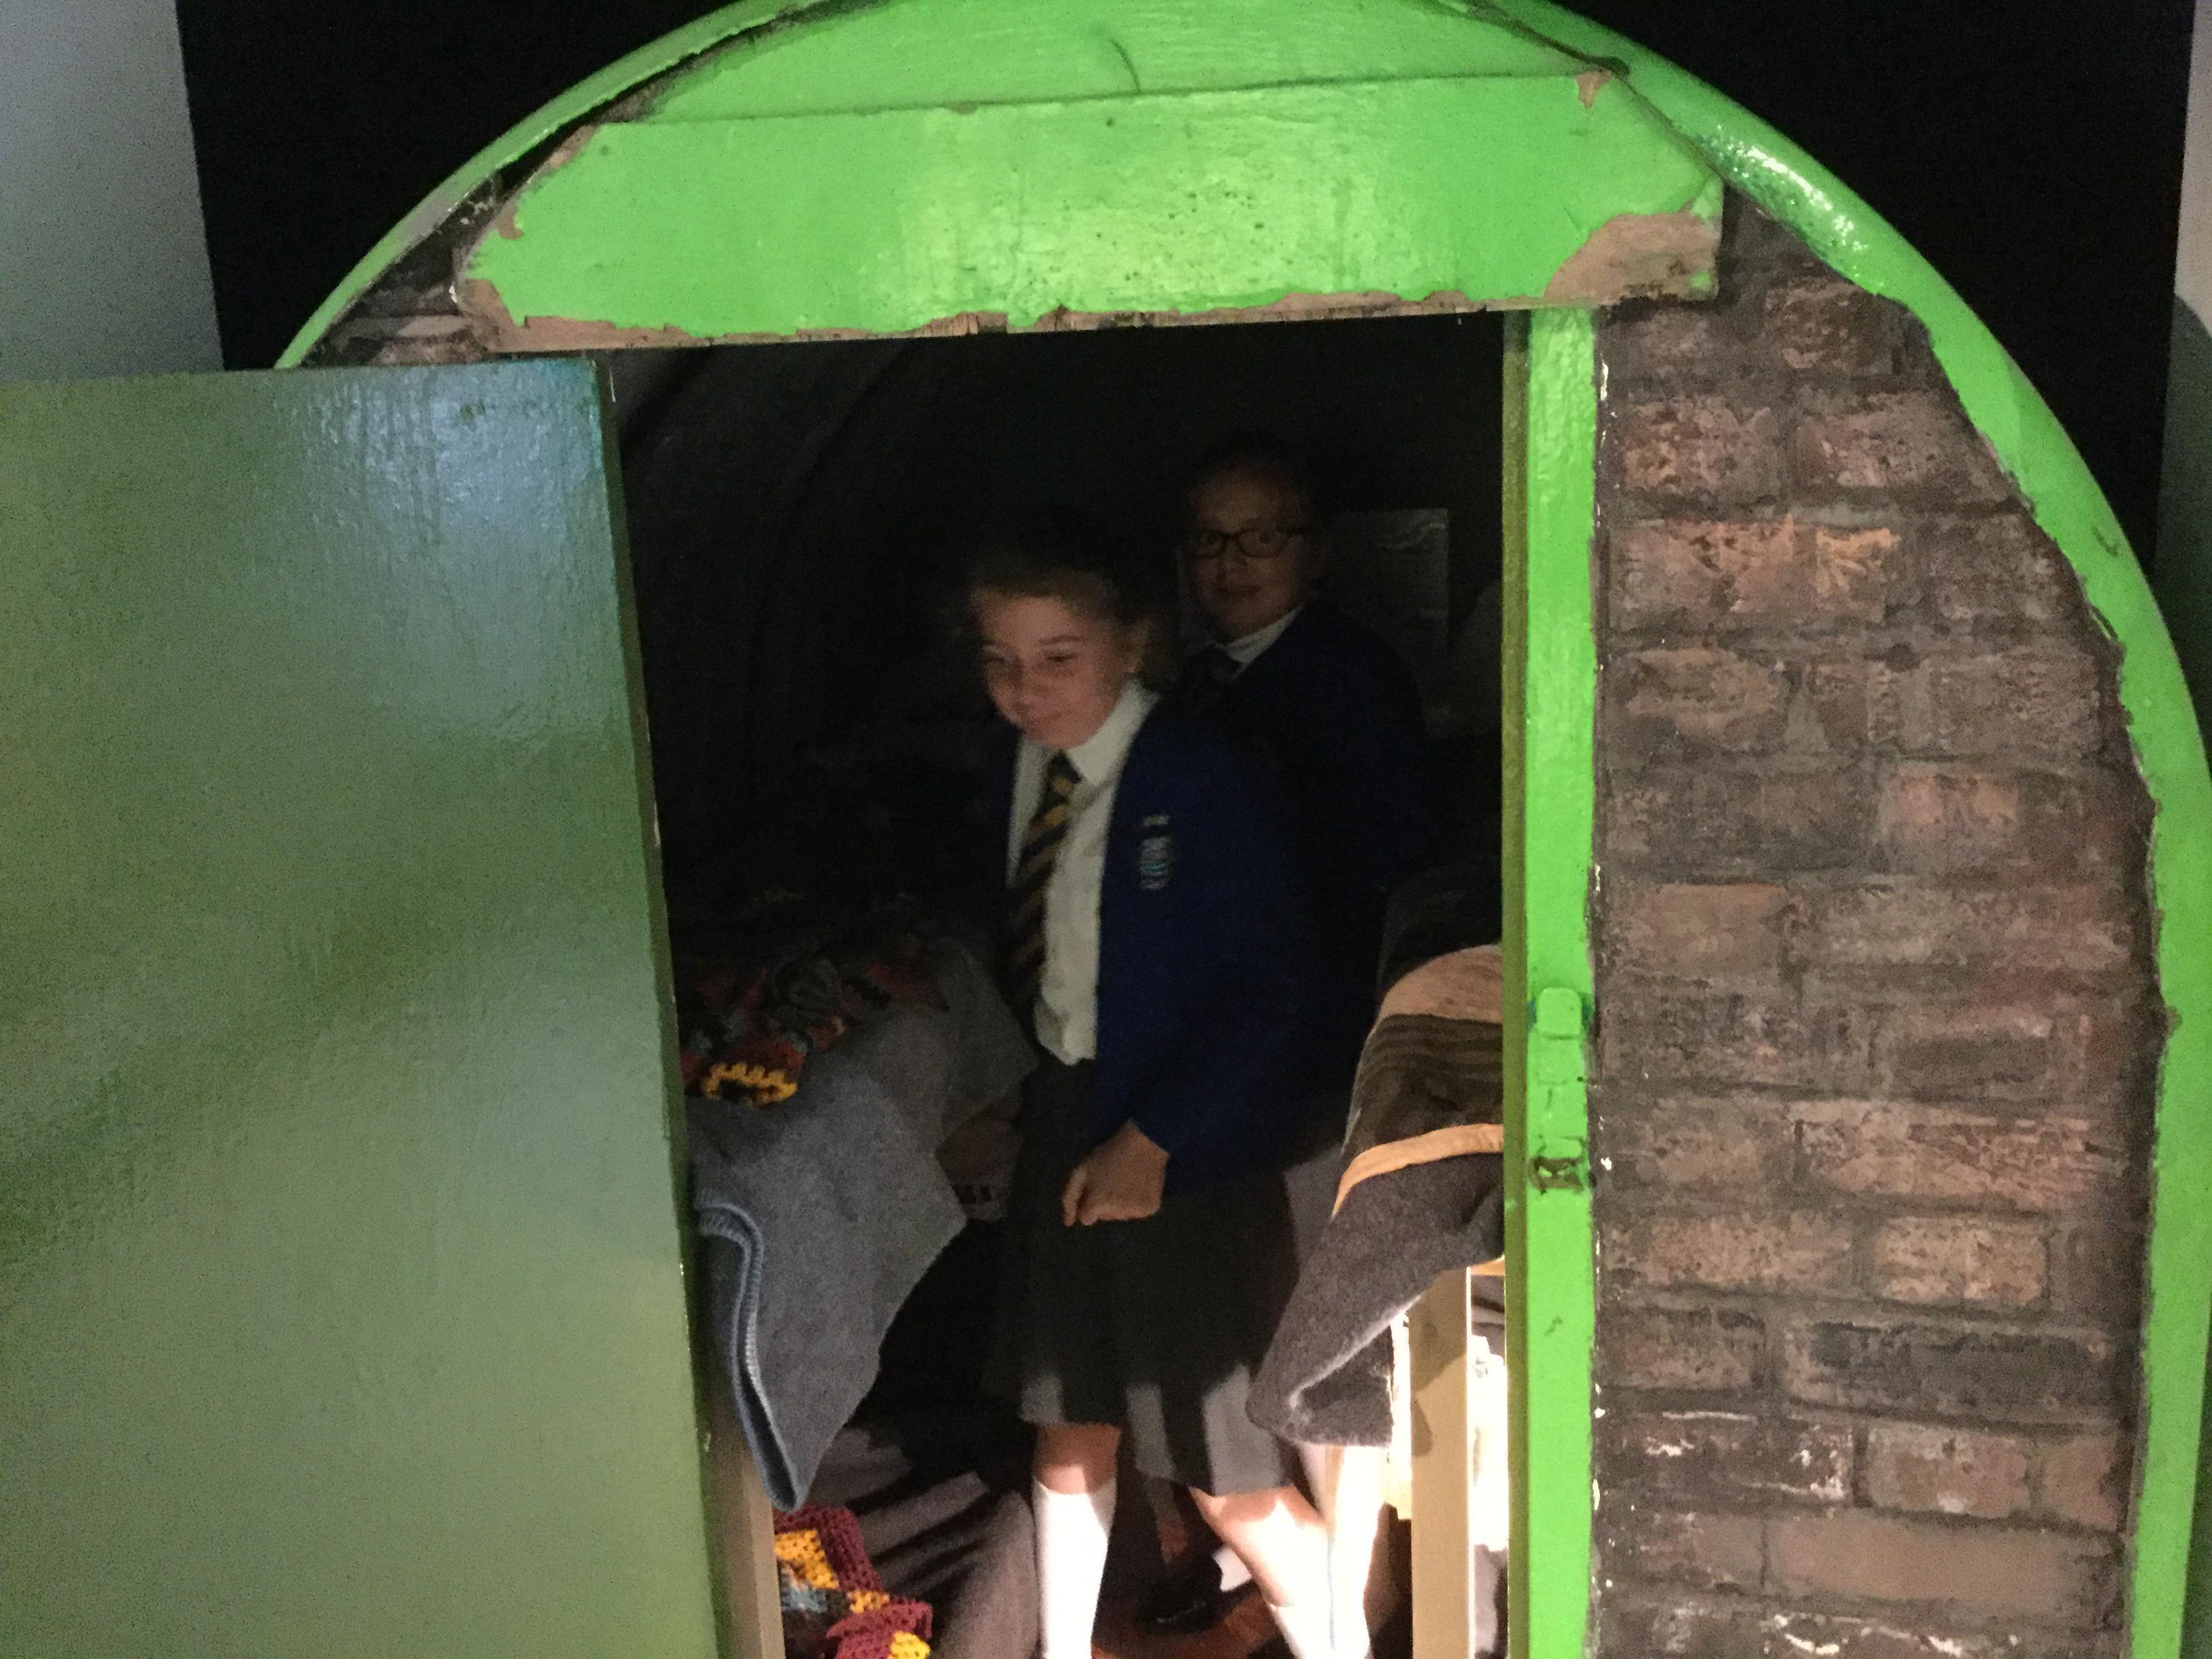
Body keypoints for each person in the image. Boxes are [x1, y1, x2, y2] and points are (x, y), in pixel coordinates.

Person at [970, 514, 1341, 1659]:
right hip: (1069, 1109)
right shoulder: (1019, 770)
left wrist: (1155, 1138)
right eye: (1000, 661)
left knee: (1229, 1480)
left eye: (1059, 658)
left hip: (1185, 1140)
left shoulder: (1201, 774)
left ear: (1132, 644)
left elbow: (1275, 985)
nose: (1026, 690)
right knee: (1068, 1423)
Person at [1141, 438, 1441, 1639]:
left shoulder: (1348, 680)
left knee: (1319, 1326)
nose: (1234, 562)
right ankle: (1303, 1574)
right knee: (1258, 1305)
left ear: (1314, 552)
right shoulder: (1201, 682)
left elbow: (1374, 872)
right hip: (1240, 1049)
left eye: (1262, 536)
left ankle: (1357, 1599)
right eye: (1211, 540)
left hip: (1318, 1047)